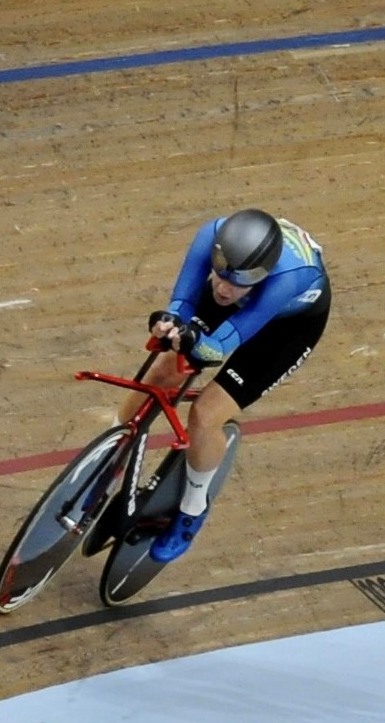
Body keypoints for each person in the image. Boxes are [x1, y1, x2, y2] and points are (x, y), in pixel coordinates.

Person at [117, 208, 331, 563]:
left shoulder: (289, 279)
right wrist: (170, 322)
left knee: (204, 416)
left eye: (235, 282)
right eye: (219, 274)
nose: (223, 287)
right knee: (164, 371)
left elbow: (218, 347)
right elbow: (182, 303)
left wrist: (192, 339)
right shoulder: (212, 236)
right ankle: (111, 456)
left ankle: (192, 509)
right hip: (242, 303)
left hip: (286, 330)